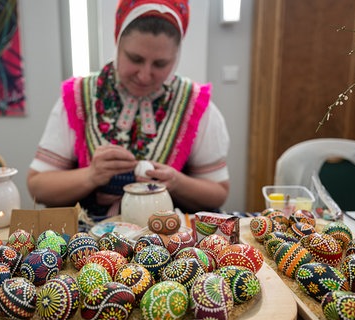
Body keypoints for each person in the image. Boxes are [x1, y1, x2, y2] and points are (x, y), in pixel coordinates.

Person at [27, 0, 231, 220]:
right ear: (117, 42)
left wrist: (177, 182)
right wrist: (91, 176)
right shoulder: (79, 97)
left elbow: (218, 192)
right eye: (135, 59)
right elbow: (38, 186)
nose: (144, 75)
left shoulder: (193, 104)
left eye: (160, 64)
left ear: (176, 57)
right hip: (88, 242)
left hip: (166, 242)